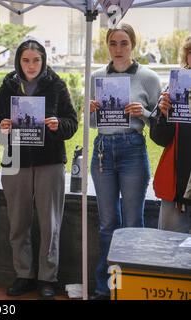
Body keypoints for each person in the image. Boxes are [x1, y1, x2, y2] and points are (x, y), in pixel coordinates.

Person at [0, 37, 78, 299]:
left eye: (36, 60)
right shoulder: (8, 85)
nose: (31, 65)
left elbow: (71, 123)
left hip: (49, 162)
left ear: (43, 61)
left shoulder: (56, 84)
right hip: (15, 162)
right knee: (18, 222)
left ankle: (47, 278)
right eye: (26, 60)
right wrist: (2, 127)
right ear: (19, 61)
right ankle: (24, 274)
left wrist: (57, 125)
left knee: (49, 222)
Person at [89, 23, 162, 300]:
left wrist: (143, 111)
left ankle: (131, 287)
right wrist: (93, 111)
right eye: (113, 43)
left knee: (133, 222)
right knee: (107, 223)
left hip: (132, 148)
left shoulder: (148, 77)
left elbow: (160, 121)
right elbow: (94, 123)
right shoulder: (98, 76)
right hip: (103, 150)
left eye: (124, 43)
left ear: (133, 45)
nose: (118, 49)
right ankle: (106, 287)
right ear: (107, 46)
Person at [150, 35, 191, 234]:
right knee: (169, 252)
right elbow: (158, 137)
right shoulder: (175, 87)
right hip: (178, 186)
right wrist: (164, 115)